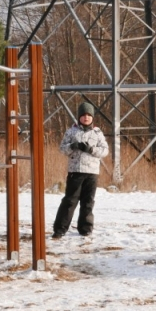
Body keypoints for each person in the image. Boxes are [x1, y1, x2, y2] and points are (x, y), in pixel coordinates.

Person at [52, 101, 108, 238]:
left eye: (89, 115)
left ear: (93, 117)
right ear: (79, 117)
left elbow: (105, 151)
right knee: (70, 201)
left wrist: (91, 149)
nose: (86, 117)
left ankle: (86, 229)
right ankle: (60, 229)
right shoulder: (71, 132)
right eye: (83, 115)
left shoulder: (98, 133)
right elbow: (62, 149)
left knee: (88, 202)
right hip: (75, 172)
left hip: (92, 173)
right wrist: (73, 146)